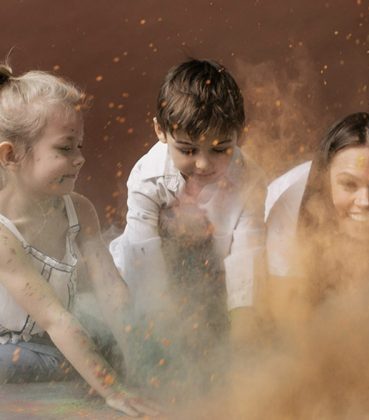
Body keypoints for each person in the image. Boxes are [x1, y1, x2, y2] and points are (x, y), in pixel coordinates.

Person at [0, 65, 157, 416]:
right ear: (10, 156)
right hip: (7, 351)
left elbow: (112, 291)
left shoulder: (80, 211)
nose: (80, 158)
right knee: (67, 360)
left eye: (80, 146)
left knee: (109, 343)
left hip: (51, 341)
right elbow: (55, 318)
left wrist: (141, 352)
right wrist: (113, 388)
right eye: (65, 148)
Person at [109, 59, 265, 356]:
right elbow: (143, 261)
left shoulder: (251, 180)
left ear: (240, 135)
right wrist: (164, 333)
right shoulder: (147, 178)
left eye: (220, 150)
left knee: (237, 341)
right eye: (187, 150)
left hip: (214, 282)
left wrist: (243, 331)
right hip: (148, 274)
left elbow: (247, 255)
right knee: (132, 342)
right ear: (160, 132)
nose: (204, 164)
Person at [264, 112, 369, 313]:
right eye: (349, 184)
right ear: (324, 180)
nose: (365, 201)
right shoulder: (287, 204)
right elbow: (288, 319)